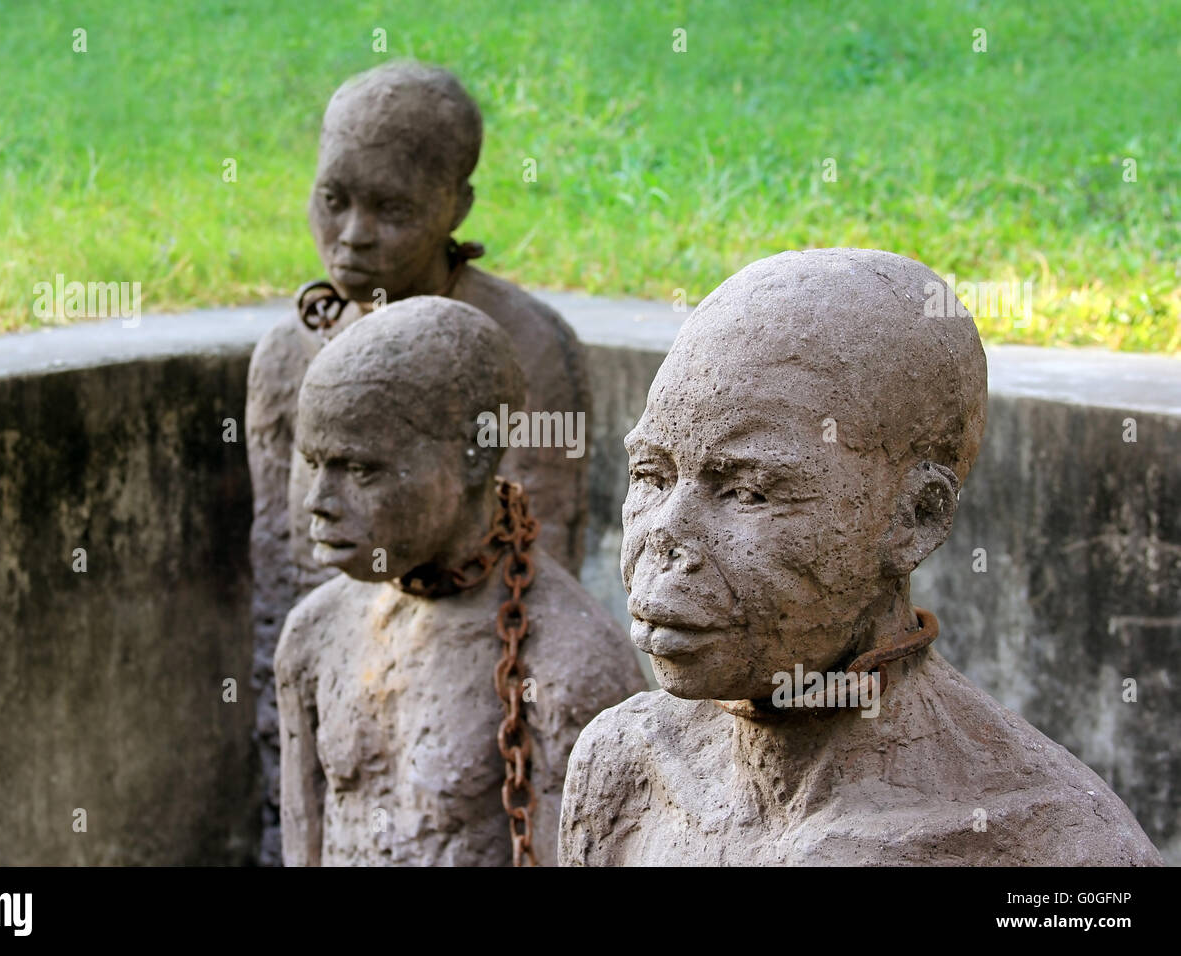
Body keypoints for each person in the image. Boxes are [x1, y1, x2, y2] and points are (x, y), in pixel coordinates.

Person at [558, 248, 1163, 866]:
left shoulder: (1055, 847)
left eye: (749, 491)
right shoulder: (624, 769)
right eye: (652, 476)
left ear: (916, 519)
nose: (667, 538)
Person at [276, 297, 643, 866]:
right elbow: (304, 839)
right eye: (313, 462)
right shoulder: (312, 637)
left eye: (360, 469)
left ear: (476, 455)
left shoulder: (570, 667)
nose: (318, 502)